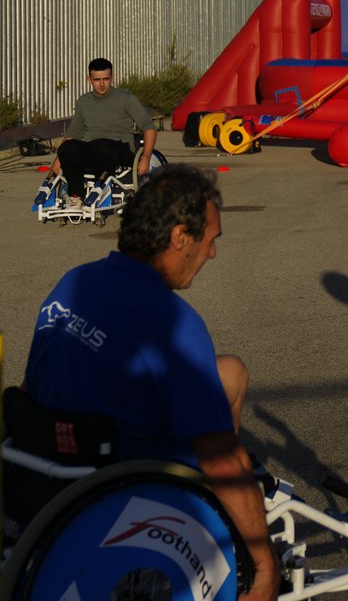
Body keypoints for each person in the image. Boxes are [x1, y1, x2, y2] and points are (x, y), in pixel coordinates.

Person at [21, 164, 278, 600]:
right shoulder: (174, 323)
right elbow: (220, 460)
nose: (212, 253)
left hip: (54, 458)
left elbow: (32, 386)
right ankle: (225, 527)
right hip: (129, 482)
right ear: (180, 238)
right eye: (210, 239)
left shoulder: (75, 281)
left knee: (229, 371)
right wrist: (266, 565)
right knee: (227, 455)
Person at [53, 58, 157, 208]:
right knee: (67, 147)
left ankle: (101, 188)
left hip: (120, 149)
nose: (102, 84)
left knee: (102, 145)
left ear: (112, 78)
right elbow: (73, 133)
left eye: (106, 79)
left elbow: (149, 127)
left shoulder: (126, 98)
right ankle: (75, 196)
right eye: (97, 80)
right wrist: (59, 158)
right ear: (89, 80)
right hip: (94, 149)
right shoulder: (83, 102)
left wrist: (145, 158)